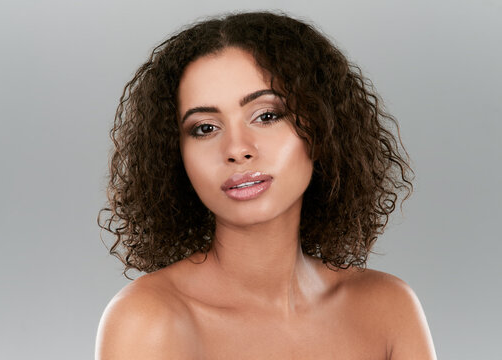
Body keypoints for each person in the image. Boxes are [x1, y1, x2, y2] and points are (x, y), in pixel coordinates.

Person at [95, 11, 437, 359]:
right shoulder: (149, 320)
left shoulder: (389, 309)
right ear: (174, 154)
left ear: (321, 127)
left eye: (267, 116)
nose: (237, 149)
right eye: (205, 128)